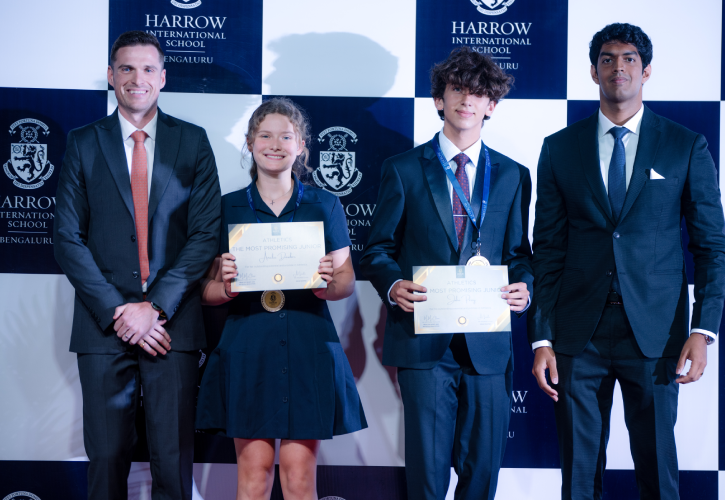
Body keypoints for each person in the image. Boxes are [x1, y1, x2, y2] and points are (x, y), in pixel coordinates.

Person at [529, 23, 725, 499]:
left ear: (647, 70)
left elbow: (711, 247)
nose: (619, 67)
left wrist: (703, 330)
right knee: (578, 477)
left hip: (656, 333)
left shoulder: (684, 145)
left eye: (630, 58)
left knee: (658, 473)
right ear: (593, 71)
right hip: (578, 334)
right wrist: (542, 336)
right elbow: (548, 249)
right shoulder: (559, 147)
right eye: (608, 59)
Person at [53, 31, 221, 499]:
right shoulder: (84, 142)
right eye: (126, 68)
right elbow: (67, 238)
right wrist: (119, 312)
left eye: (148, 68)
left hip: (172, 324)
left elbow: (205, 235)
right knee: (107, 460)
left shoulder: (193, 141)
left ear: (163, 77)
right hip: (103, 326)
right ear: (111, 76)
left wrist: (155, 306)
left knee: (172, 459)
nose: (137, 78)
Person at [360, 47, 533, 500]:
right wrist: (392, 285)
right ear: (440, 99)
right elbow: (377, 250)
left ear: (491, 105)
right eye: (457, 89)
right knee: (427, 475)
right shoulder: (402, 169)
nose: (466, 100)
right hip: (424, 340)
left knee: (483, 472)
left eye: (478, 93)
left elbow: (519, 254)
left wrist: (524, 287)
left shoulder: (514, 175)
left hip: (487, 344)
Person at [195, 97, 367, 500]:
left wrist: (326, 285)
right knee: (253, 480)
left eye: (286, 137)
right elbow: (204, 290)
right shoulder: (225, 207)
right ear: (250, 142)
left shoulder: (325, 203)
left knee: (299, 480)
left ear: (301, 145)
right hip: (248, 348)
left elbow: (345, 281)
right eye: (265, 136)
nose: (275, 144)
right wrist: (226, 287)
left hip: (308, 346)